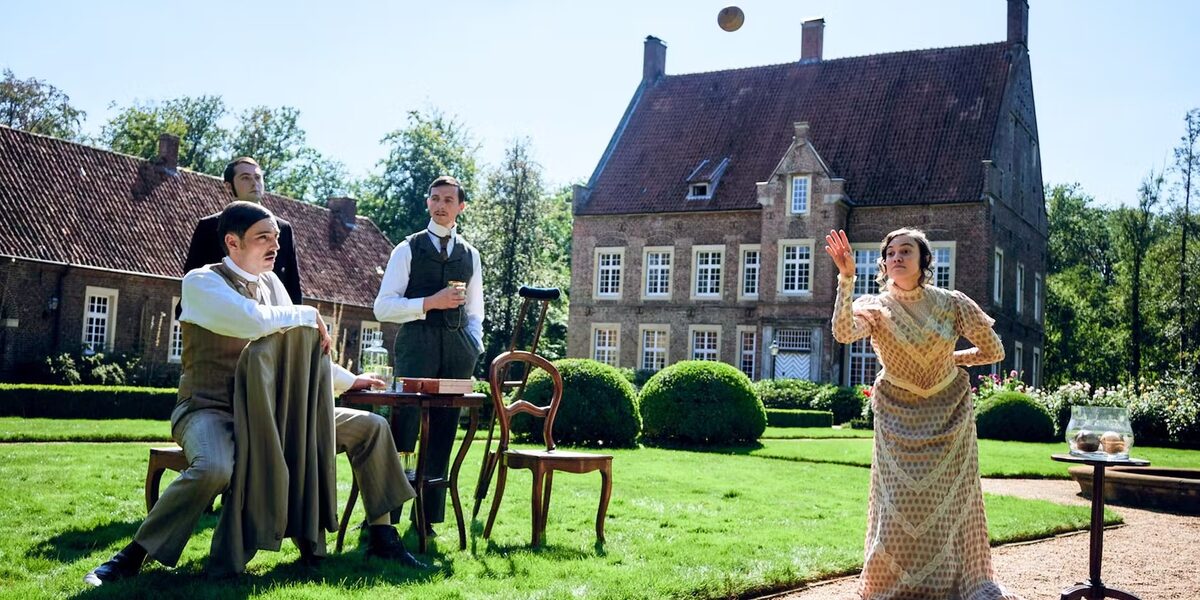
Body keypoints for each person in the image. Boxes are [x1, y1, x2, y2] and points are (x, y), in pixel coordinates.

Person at [85, 202, 422, 587]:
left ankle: (382, 537)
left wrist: (349, 381)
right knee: (214, 467)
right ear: (232, 242)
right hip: (210, 409)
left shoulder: (274, 286)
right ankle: (134, 554)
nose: (274, 246)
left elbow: (296, 355)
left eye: (276, 238)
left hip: (277, 414)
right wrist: (306, 313)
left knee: (371, 427)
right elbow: (253, 321)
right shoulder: (201, 282)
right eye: (263, 237)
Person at [824, 228, 1020, 600]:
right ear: (884, 264)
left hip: (950, 415)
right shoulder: (876, 306)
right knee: (898, 504)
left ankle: (951, 584)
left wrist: (951, 359)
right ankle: (893, 585)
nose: (897, 257)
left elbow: (994, 351)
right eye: (891, 253)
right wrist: (846, 277)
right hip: (897, 418)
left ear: (923, 260)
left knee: (948, 505)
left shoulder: (952, 303)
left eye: (906, 251)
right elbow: (844, 332)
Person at [374, 175, 484, 535]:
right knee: (404, 428)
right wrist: (429, 304)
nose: (440, 205)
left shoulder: (471, 255)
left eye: (448, 200)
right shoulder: (407, 249)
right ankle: (388, 514)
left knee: (443, 431)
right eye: (435, 198)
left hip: (456, 349)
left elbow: (476, 312)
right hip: (416, 344)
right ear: (427, 203)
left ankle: (427, 520)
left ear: (460, 207)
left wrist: (472, 343)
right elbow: (382, 308)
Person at [177, 157, 301, 317]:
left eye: (257, 177)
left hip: (273, 323)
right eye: (245, 178)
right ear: (229, 186)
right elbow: (193, 277)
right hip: (222, 320)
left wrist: (298, 322)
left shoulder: (283, 228)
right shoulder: (209, 227)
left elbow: (292, 284)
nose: (254, 183)